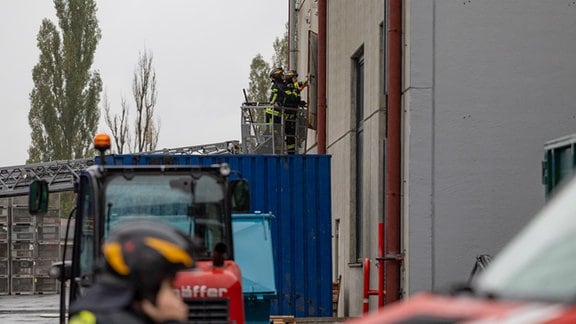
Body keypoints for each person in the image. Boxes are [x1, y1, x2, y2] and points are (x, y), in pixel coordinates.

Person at [68, 220, 195, 324]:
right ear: (149, 285)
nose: (178, 298)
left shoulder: (98, 312)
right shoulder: (109, 319)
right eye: (171, 286)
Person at [283, 70, 308, 154]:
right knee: (289, 137)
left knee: (292, 137)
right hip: (287, 118)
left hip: (292, 117)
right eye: (294, 78)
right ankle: (290, 153)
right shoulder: (287, 87)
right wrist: (298, 92)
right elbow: (292, 98)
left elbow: (298, 85)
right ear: (290, 78)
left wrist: (305, 82)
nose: (296, 79)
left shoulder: (291, 86)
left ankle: (292, 152)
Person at [266, 67, 286, 153]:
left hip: (275, 114)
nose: (283, 76)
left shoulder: (279, 85)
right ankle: (274, 150)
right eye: (281, 74)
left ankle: (277, 151)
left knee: (277, 134)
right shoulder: (278, 85)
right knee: (274, 133)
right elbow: (275, 98)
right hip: (273, 114)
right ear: (277, 76)